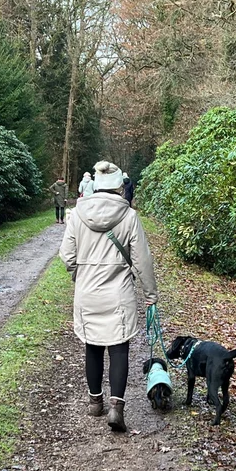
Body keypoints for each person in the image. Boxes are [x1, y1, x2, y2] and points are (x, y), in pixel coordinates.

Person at [59, 160, 158, 433]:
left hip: (87, 292)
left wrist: (80, 274)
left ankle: (95, 403)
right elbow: (143, 261)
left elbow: (67, 256)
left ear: (96, 185)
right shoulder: (129, 216)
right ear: (118, 187)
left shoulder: (78, 214)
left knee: (92, 345)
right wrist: (150, 295)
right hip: (119, 294)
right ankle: (116, 408)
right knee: (119, 348)